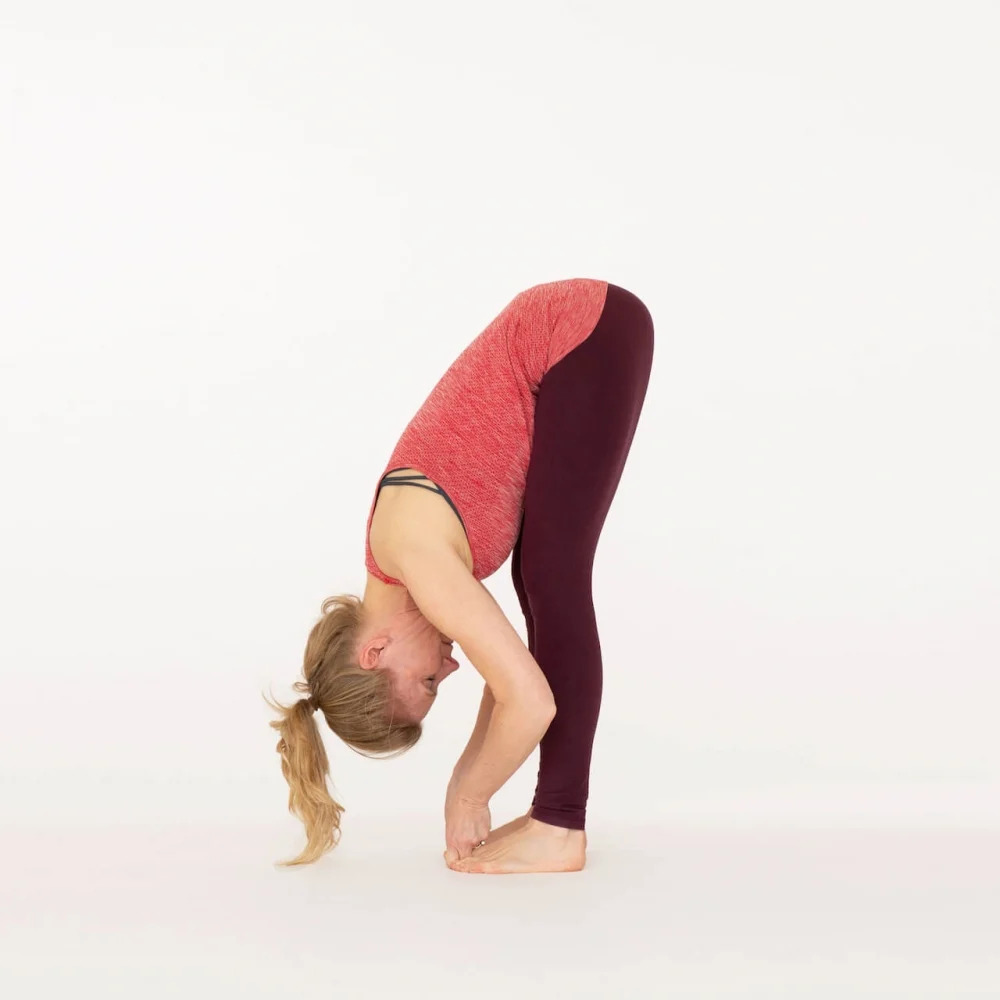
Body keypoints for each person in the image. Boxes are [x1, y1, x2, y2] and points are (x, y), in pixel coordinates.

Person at [264, 278, 654, 873]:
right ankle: (554, 816)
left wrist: (468, 793)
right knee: (540, 582)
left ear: (374, 651)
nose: (450, 668)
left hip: (579, 332)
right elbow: (507, 681)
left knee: (553, 579)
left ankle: (560, 824)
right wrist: (467, 783)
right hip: (582, 335)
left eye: (427, 683)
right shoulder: (402, 564)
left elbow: (528, 700)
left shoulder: (415, 556)